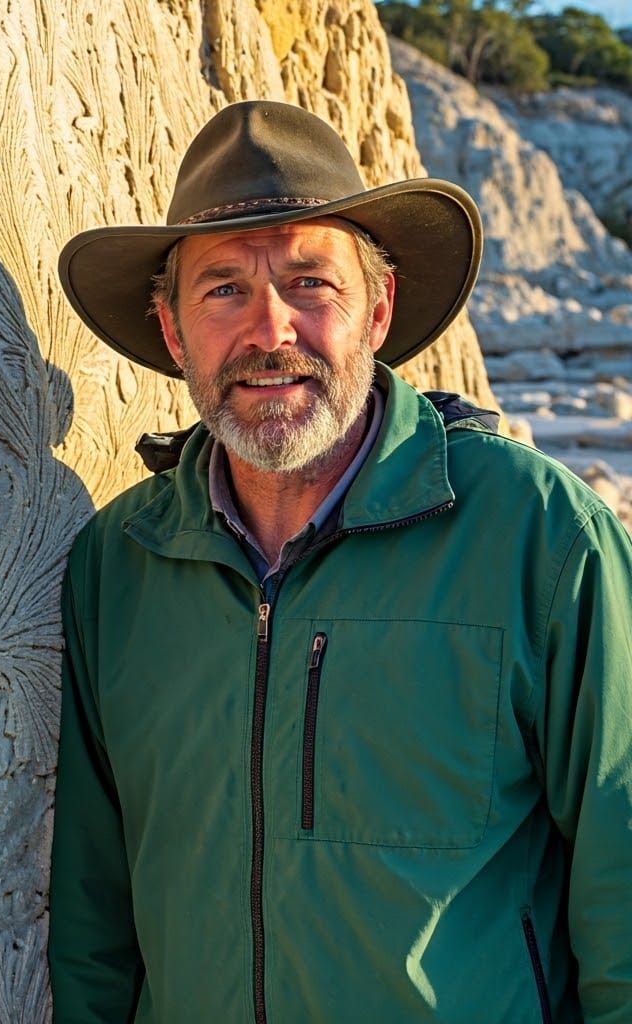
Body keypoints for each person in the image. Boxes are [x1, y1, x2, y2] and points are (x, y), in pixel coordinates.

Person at [48, 100, 632, 1023]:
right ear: (172, 333)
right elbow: (93, 916)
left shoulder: (539, 537)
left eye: (310, 283)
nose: (270, 330)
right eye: (223, 289)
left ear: (378, 310)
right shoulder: (118, 565)